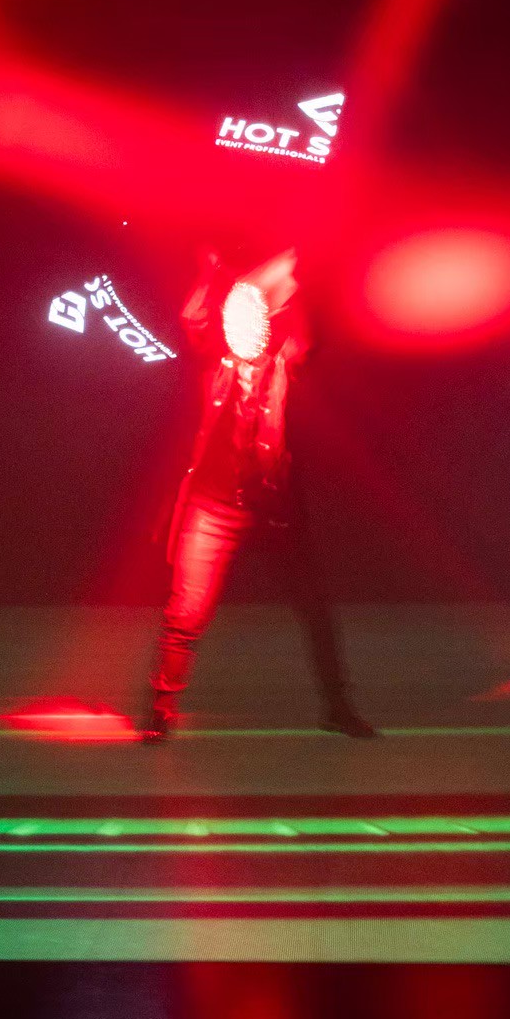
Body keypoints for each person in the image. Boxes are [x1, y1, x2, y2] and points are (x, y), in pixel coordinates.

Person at [139, 244, 376, 743]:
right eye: (236, 322)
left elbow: (303, 329)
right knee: (186, 612)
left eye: (255, 322)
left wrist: (282, 276)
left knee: (314, 609)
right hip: (213, 507)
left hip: (274, 509)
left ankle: (337, 708)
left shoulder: (285, 361)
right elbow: (194, 318)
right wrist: (213, 275)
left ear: (267, 326)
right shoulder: (214, 363)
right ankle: (161, 710)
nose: (244, 331)